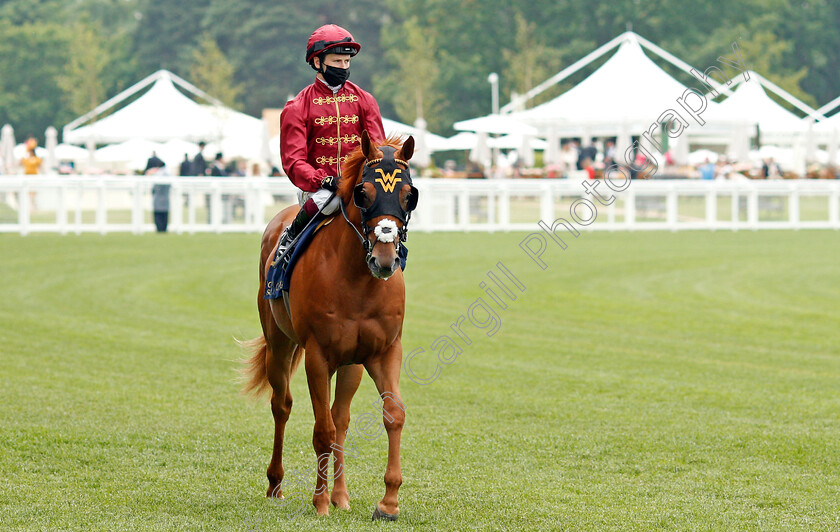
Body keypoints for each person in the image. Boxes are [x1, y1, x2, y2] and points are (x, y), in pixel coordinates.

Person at [277, 23, 386, 253]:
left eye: (347, 62)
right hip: (318, 190)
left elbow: (377, 150)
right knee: (329, 202)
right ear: (317, 62)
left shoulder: (365, 101)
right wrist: (324, 180)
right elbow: (294, 162)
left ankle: (396, 259)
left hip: (358, 186)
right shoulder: (296, 107)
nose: (344, 67)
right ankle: (288, 244)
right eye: (337, 62)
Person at [146, 159, 171, 233]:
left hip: (158, 198)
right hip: (165, 198)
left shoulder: (157, 174)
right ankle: (163, 229)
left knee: (158, 215)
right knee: (165, 215)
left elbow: (153, 187)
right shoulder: (168, 173)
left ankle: (159, 228)